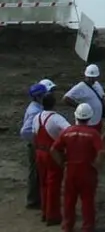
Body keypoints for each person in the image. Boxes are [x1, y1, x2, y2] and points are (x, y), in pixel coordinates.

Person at [52, 104, 105, 232]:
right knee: (87, 200)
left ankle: (67, 226)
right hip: (87, 171)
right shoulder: (93, 134)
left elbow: (54, 149)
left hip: (71, 170)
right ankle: (87, 227)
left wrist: (61, 162)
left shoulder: (67, 132)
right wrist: (97, 165)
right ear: (90, 117)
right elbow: (102, 152)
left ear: (76, 115)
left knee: (69, 200)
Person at [33, 93, 71, 226]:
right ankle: (52, 215)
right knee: (53, 184)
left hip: (39, 152)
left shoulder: (36, 117)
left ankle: (44, 212)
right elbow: (69, 130)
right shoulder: (56, 118)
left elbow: (34, 135)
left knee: (43, 183)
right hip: (52, 153)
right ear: (54, 104)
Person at [20, 79, 54, 210]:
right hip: (34, 146)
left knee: (37, 172)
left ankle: (36, 198)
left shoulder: (36, 107)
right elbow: (25, 131)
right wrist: (36, 141)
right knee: (35, 173)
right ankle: (33, 200)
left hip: (34, 145)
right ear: (38, 96)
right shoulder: (35, 111)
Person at [63, 65, 105, 129]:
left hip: (97, 121)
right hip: (86, 123)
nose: (91, 79)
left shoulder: (97, 84)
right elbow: (65, 98)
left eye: (93, 77)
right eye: (89, 77)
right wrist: (79, 107)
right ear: (85, 75)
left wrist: (104, 98)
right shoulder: (80, 87)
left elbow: (102, 95)